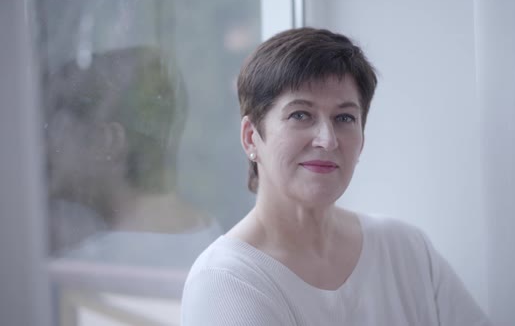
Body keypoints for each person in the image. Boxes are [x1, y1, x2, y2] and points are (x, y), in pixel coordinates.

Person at [181, 28, 491, 325]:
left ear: (362, 140)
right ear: (251, 137)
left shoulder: (405, 248)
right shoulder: (227, 280)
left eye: (344, 118)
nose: (327, 140)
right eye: (300, 115)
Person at [45, 46, 222, 267]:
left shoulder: (87, 270)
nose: (47, 145)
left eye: (58, 128)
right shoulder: (211, 239)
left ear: (106, 141)